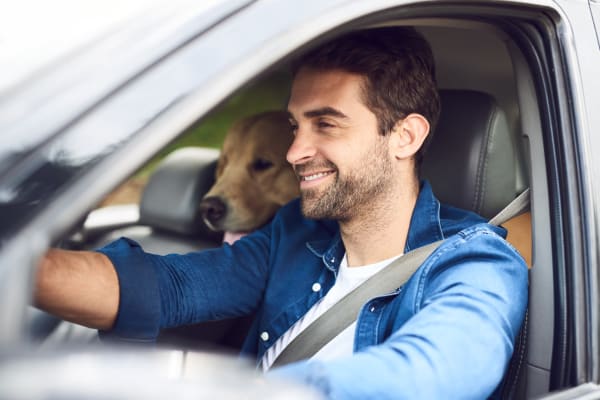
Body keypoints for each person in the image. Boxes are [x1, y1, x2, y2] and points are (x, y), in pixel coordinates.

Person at [35, 27, 528, 399]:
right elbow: (169, 287)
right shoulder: (294, 232)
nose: (295, 151)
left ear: (406, 136)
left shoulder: (475, 262)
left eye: (325, 124)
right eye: (295, 126)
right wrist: (29, 270)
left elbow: (434, 373)